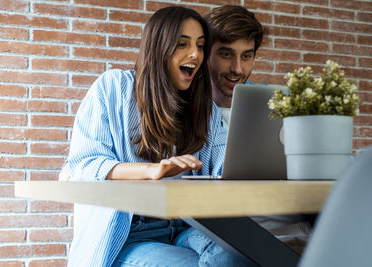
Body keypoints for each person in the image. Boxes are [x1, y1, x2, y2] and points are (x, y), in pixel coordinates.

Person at [66, 6, 257, 267]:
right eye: (183, 44)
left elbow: (222, 169)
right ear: (158, 46)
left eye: (201, 46)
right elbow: (84, 165)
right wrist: (152, 170)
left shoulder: (203, 108)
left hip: (188, 226)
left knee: (246, 254)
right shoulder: (113, 88)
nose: (195, 54)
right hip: (130, 235)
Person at [205, 5, 312, 253]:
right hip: (232, 228)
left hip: (291, 220)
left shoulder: (273, 102)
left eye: (246, 56)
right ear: (205, 53)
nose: (237, 68)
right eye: (225, 54)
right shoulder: (188, 110)